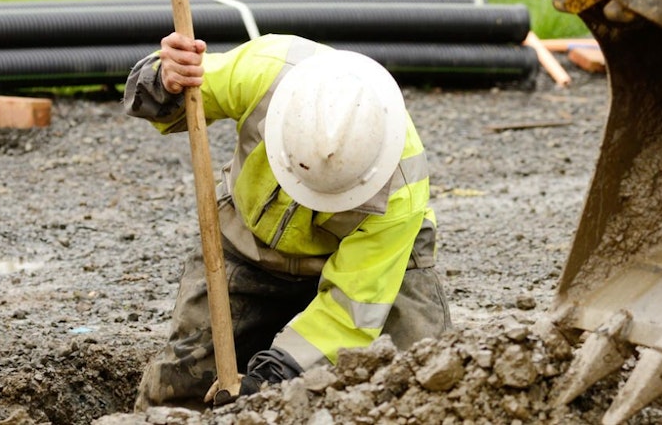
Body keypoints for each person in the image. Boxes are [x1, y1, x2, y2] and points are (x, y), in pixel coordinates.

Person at [122, 33, 452, 410]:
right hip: (249, 246)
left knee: (421, 387)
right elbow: (182, 97)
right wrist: (166, 80)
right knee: (178, 392)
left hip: (376, 271)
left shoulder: (401, 190)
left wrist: (268, 381)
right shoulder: (267, 71)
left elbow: (351, 313)